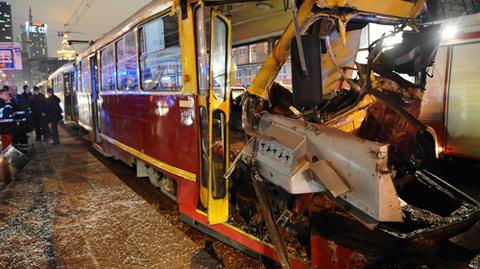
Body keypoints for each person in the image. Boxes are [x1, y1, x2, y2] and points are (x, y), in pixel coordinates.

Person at [10, 85, 32, 152]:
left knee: (23, 136)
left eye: (15, 89)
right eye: (13, 90)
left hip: (23, 121)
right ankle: (16, 150)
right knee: (15, 137)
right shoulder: (8, 98)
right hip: (13, 122)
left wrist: (27, 119)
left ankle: (24, 150)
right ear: (10, 90)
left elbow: (25, 108)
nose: (14, 91)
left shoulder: (21, 97)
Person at [0, 86, 15, 150]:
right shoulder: (5, 104)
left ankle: (7, 158)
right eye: (6, 94)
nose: (8, 96)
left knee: (7, 146)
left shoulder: (8, 103)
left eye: (8, 94)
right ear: (0, 96)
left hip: (8, 128)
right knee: (6, 146)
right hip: (5, 128)